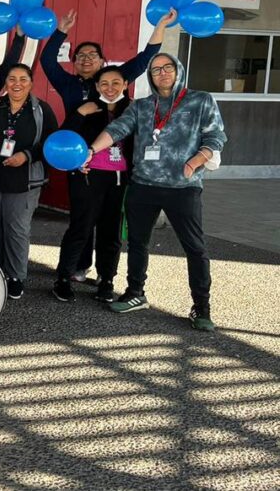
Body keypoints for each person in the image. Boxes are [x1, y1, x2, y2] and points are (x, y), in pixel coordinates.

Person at [86, 50, 226, 331]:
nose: (162, 73)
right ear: (150, 77)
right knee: (137, 243)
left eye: (167, 68)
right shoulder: (141, 106)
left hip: (183, 188)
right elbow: (117, 129)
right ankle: (136, 292)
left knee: (195, 248)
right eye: (155, 70)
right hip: (143, 186)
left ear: (178, 70)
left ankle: (201, 306)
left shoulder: (200, 100)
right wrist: (91, 150)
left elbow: (216, 135)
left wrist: (197, 160)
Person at [40, 9, 167, 283]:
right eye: (81, 56)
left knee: (109, 224)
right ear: (74, 63)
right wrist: (61, 31)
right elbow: (47, 61)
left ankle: (105, 275)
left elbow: (146, 58)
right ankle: (77, 266)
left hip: (116, 165)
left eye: (92, 56)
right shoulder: (69, 84)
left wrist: (160, 26)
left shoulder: (116, 80)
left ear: (103, 61)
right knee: (82, 221)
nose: (86, 60)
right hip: (80, 162)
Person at [0, 64, 57, 299]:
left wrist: (27, 156)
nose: (16, 84)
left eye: (23, 79)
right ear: (6, 83)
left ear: (31, 83)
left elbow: (51, 143)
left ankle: (16, 276)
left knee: (17, 230)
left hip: (25, 181)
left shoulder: (41, 110)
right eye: (11, 79)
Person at [52, 65, 134, 304]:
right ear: (96, 86)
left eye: (116, 83)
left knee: (111, 232)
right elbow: (63, 139)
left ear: (125, 85)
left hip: (119, 179)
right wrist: (79, 114)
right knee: (81, 228)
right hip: (87, 176)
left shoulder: (132, 110)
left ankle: (106, 279)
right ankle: (64, 279)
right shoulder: (87, 107)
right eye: (104, 84)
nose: (110, 88)